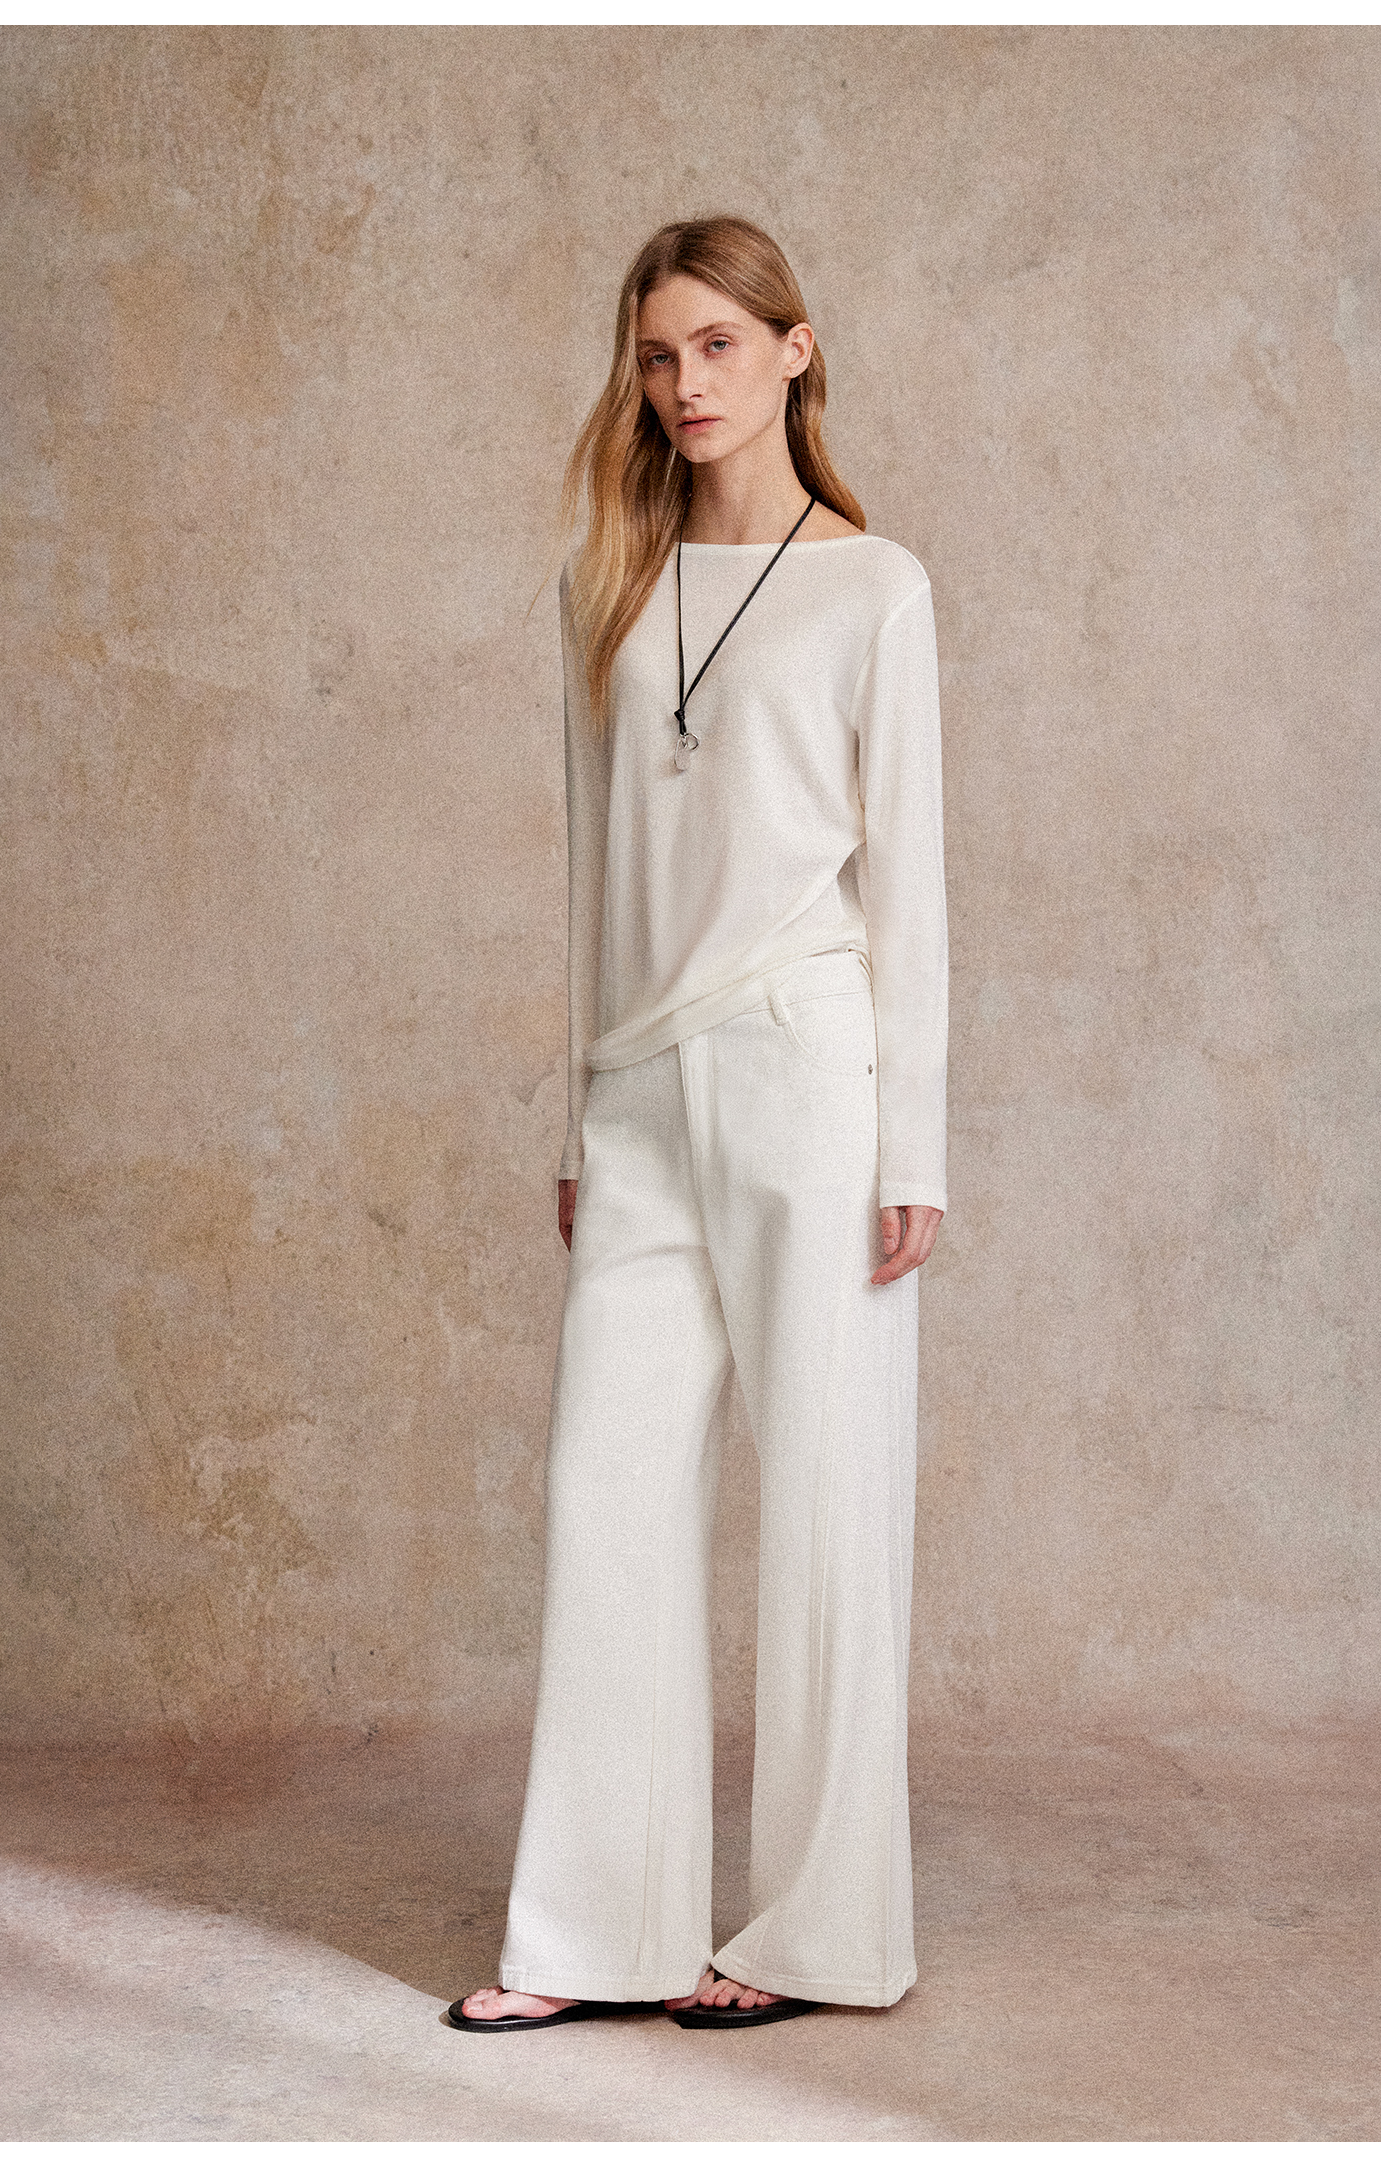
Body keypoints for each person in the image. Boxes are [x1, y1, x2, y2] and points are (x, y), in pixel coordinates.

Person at [452, 215, 947, 2033]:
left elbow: (912, 888)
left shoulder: (874, 588)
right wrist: (584, 1114)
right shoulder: (609, 586)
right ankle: (592, 1940)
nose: (685, 385)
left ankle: (822, 1937)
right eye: (658, 355)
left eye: (720, 345)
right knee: (607, 1495)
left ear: (795, 351)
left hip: (811, 1069)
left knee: (828, 1504)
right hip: (643, 1086)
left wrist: (916, 1148)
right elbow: (597, 872)